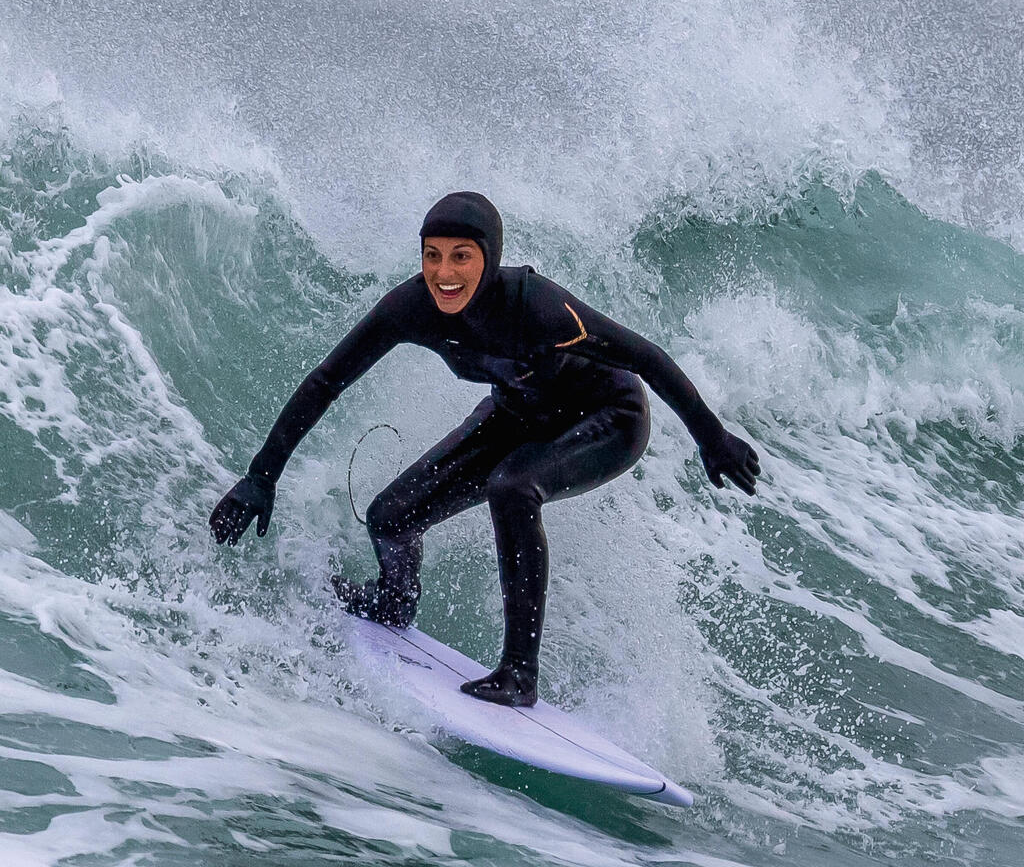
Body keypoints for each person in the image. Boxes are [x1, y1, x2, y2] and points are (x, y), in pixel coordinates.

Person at [209, 192, 761, 707]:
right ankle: (394, 603)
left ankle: (520, 673)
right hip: (515, 414)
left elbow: (645, 357)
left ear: (489, 259)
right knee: (391, 518)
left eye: (461, 257)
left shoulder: (537, 308)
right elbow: (327, 380)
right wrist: (263, 476)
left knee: (514, 487)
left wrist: (711, 438)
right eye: (432, 256)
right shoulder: (410, 308)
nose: (444, 274)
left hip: (607, 418)